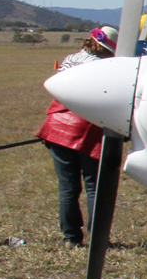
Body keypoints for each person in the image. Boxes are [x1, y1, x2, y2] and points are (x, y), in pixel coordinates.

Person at [35, 26, 117, 247]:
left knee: (68, 188)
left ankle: (71, 238)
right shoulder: (106, 67)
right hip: (86, 129)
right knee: (94, 186)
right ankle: (98, 238)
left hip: (57, 128)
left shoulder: (71, 59)